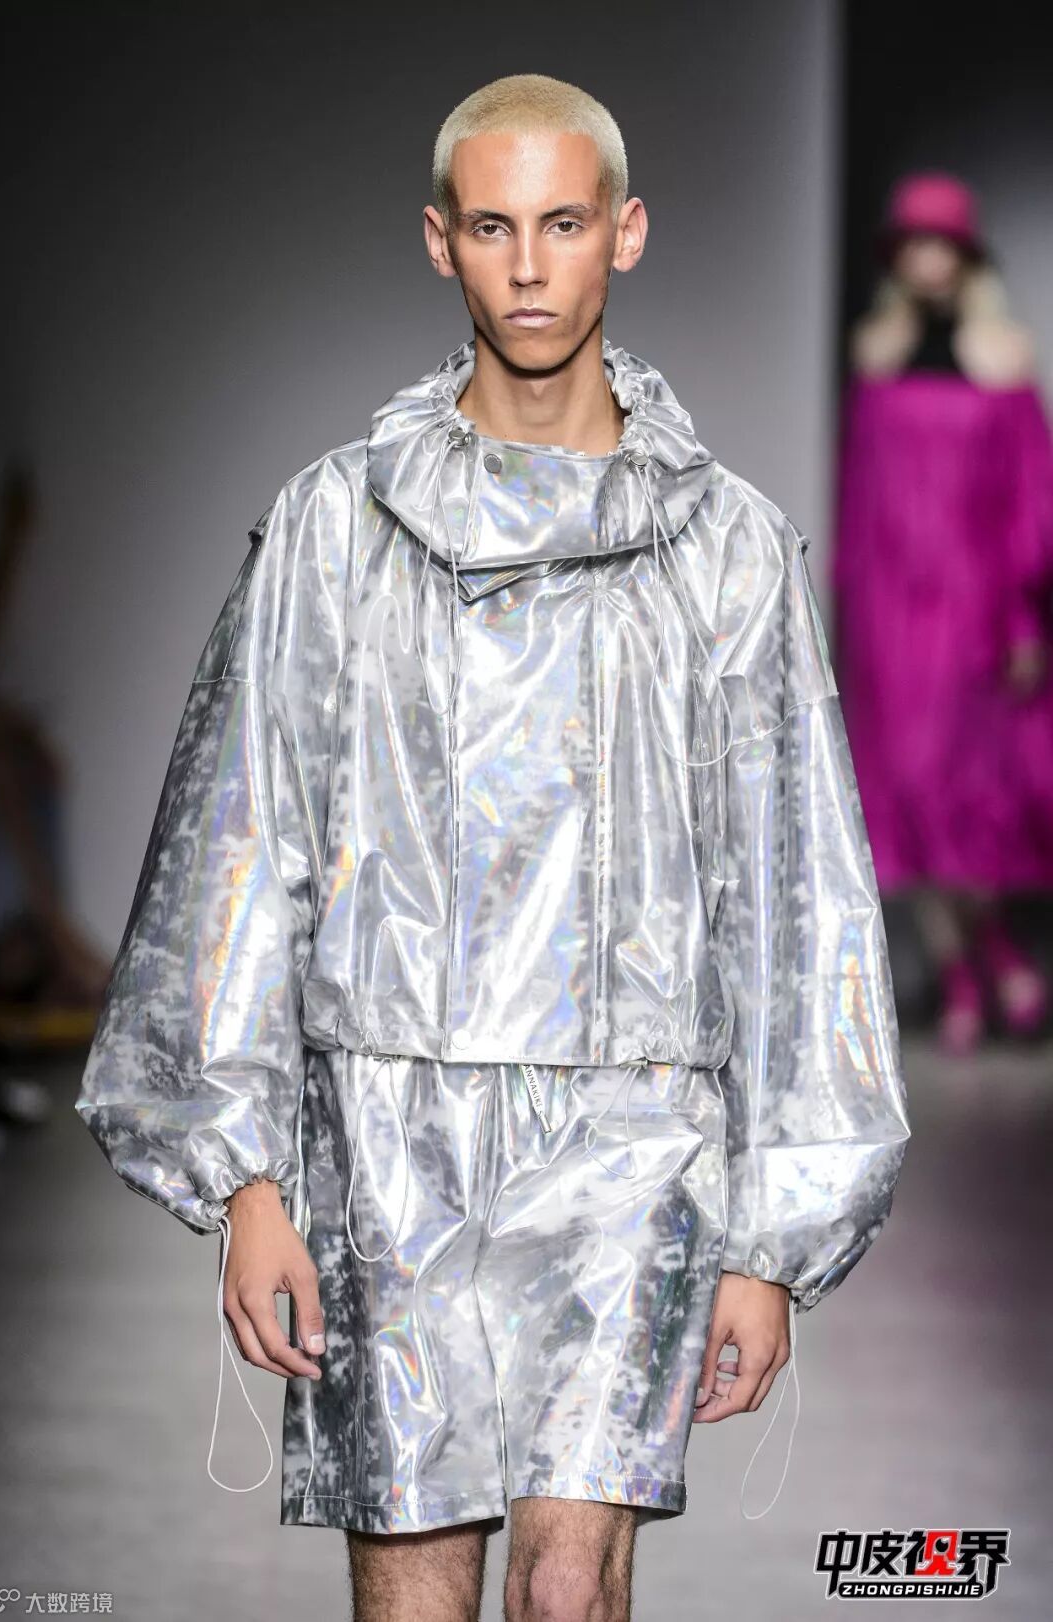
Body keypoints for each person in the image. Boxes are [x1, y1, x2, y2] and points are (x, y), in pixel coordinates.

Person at [75, 74, 911, 1622]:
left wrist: (776, 1234)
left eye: (565, 224)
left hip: (635, 1130)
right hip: (387, 1128)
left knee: (569, 1585)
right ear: (440, 240)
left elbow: (797, 888)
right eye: (493, 227)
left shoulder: (727, 547)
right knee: (410, 1599)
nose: (529, 268)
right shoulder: (334, 527)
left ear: (626, 234)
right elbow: (243, 840)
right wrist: (246, 1176)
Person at [833, 171, 1053, 1055]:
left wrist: (1026, 617)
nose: (927, 260)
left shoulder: (1004, 356)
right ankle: (970, 972)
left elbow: (1030, 496)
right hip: (891, 608)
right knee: (906, 788)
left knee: (968, 790)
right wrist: (848, 606)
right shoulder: (875, 353)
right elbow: (860, 495)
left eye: (942, 244)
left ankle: (992, 956)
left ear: (965, 256)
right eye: (913, 244)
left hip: (973, 607)